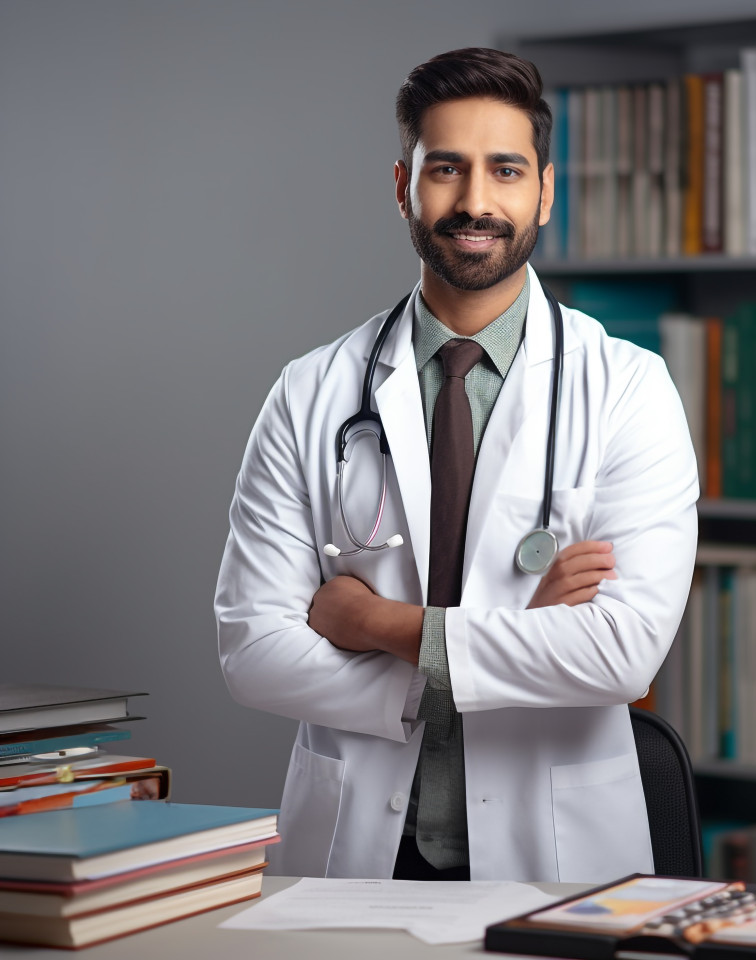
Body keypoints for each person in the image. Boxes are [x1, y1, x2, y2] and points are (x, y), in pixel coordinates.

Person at [215, 47, 698, 884]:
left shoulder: (627, 388)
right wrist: (514, 639)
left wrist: (376, 628)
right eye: (447, 169)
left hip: (558, 859)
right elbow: (252, 648)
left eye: (505, 170)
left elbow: (622, 654)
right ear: (403, 184)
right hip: (356, 850)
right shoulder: (309, 392)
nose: (476, 201)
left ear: (546, 191)